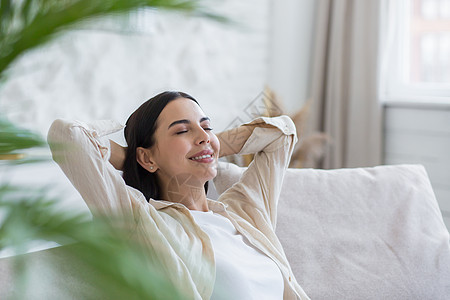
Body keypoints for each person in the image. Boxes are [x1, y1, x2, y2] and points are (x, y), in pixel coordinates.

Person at [48, 91, 310, 300]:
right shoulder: (140, 221)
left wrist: (209, 144)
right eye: (182, 130)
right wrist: (134, 158)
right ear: (147, 156)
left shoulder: (246, 212)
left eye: (207, 126)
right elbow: (67, 136)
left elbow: (282, 134)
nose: (203, 136)